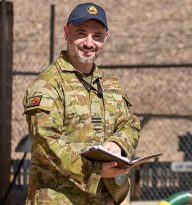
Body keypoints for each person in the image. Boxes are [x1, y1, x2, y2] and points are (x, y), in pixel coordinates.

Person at [23, 3, 140, 204]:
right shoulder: (48, 84)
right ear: (66, 33)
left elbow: (130, 124)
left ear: (106, 37)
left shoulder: (110, 84)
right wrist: (95, 171)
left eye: (97, 36)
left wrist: (117, 143)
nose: (89, 43)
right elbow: (47, 144)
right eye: (81, 33)